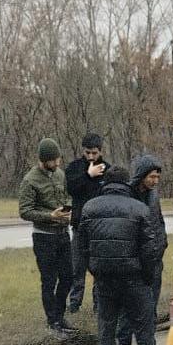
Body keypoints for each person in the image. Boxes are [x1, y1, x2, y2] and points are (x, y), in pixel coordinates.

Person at [79, 166, 165, 345]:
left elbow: (81, 247)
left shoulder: (90, 208)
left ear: (105, 183)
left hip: (105, 279)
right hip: (134, 278)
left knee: (107, 327)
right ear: (127, 183)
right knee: (144, 328)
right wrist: (147, 277)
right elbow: (150, 249)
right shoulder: (139, 209)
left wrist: (95, 270)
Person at [18, 138, 77, 341]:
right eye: (53, 160)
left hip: (62, 234)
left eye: (58, 159)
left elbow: (67, 196)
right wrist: (50, 216)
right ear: (44, 160)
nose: (58, 163)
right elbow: (24, 211)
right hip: (44, 237)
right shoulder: (30, 180)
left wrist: (67, 210)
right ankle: (52, 321)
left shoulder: (60, 174)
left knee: (68, 277)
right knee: (49, 280)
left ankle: (60, 316)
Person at [116, 155, 167, 345]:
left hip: (154, 259)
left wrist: (161, 244)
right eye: (152, 176)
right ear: (142, 175)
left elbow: (159, 222)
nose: (155, 181)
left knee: (150, 305)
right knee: (129, 305)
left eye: (157, 177)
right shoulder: (127, 196)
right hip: (134, 260)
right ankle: (123, 343)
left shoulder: (153, 196)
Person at [64, 133, 110, 313]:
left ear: (100, 151)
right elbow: (71, 188)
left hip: (99, 229)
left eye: (95, 153)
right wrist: (87, 175)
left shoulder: (108, 169)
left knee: (98, 268)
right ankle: (75, 303)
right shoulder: (75, 167)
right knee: (77, 268)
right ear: (83, 150)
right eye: (88, 153)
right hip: (79, 226)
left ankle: (98, 304)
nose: (91, 157)